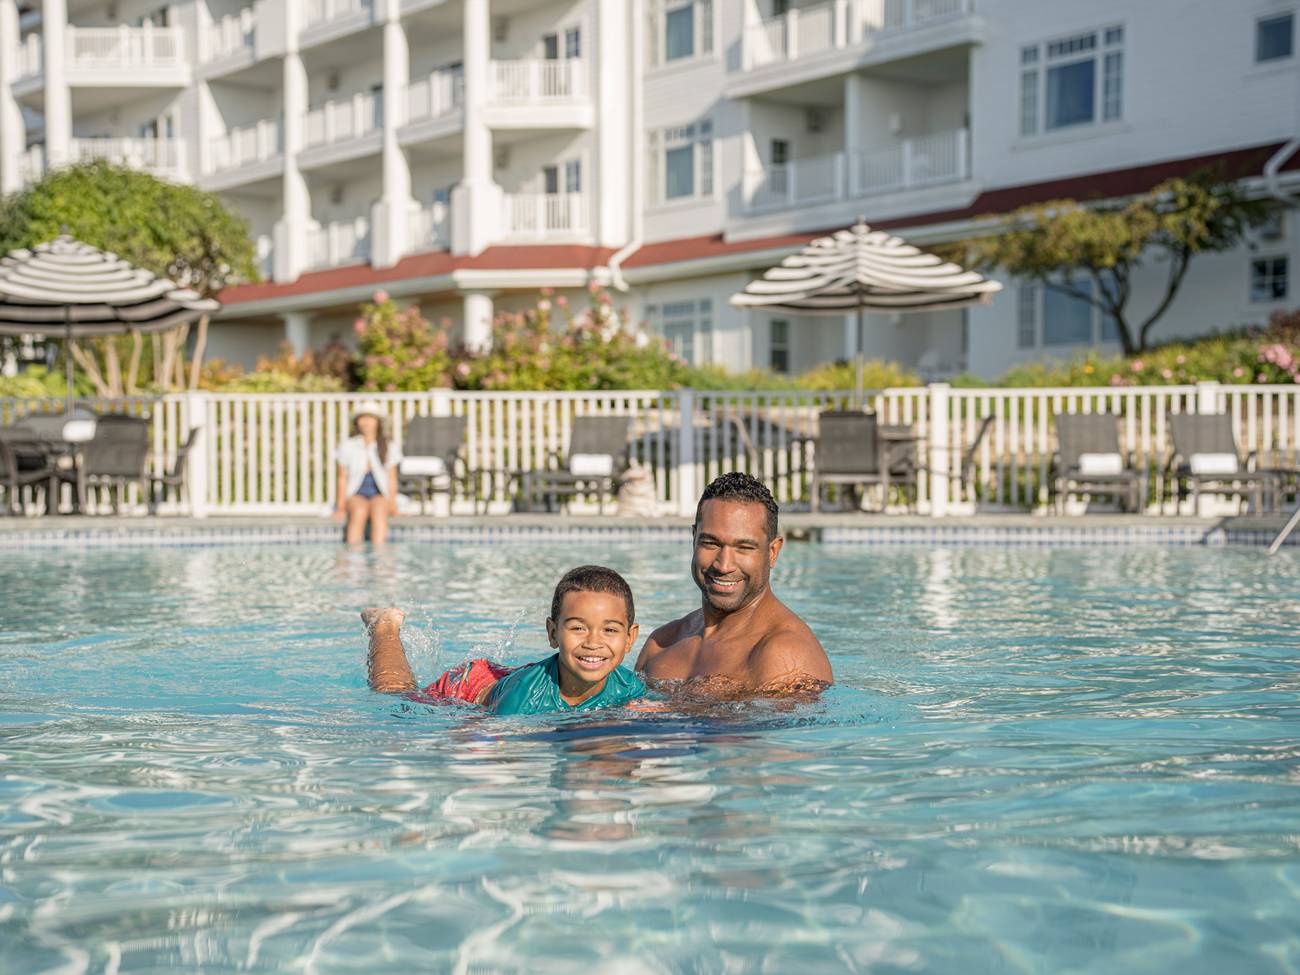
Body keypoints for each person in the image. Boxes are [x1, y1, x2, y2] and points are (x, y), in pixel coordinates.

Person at [635, 472, 833, 698]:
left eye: (744, 547)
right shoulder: (662, 642)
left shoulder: (784, 656)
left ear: (772, 552)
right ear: (694, 538)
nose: (724, 565)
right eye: (711, 543)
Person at [363, 565, 646, 715]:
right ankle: (384, 627)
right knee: (395, 695)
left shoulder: (628, 686)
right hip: (469, 687)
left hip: (507, 679)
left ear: (630, 637)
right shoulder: (523, 700)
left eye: (610, 630)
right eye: (578, 628)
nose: (594, 643)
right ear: (552, 633)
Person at [333, 400, 402, 545]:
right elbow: (342, 478)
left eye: (370, 418)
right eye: (363, 418)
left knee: (379, 513)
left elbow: (392, 478)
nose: (366, 422)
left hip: (379, 493)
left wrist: (393, 505)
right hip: (356, 492)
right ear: (357, 422)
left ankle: (380, 559)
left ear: (377, 422)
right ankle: (353, 558)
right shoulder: (348, 445)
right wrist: (340, 507)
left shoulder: (388, 445)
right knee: (358, 512)